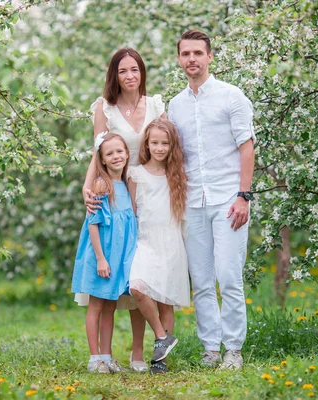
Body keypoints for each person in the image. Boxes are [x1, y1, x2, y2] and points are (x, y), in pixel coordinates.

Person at [168, 30, 255, 370]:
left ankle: (233, 349)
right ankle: (211, 350)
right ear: (179, 59)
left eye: (198, 53)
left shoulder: (232, 96)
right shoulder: (175, 105)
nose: (192, 59)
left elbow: (246, 147)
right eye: (185, 53)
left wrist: (243, 196)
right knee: (202, 281)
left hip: (228, 200)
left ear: (210, 57)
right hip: (192, 203)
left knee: (229, 276)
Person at [81, 48, 167, 372]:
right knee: (119, 274)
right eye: (122, 71)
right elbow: (97, 153)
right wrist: (86, 189)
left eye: (134, 69)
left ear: (142, 72)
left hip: (147, 192)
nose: (129, 76)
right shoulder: (105, 107)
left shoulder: (156, 105)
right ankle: (101, 355)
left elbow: (167, 146)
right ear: (114, 76)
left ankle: (139, 354)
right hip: (113, 191)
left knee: (139, 275)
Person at [127, 119, 190, 374]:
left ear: (172, 146)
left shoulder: (177, 175)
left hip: (172, 242)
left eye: (165, 143)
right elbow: (132, 212)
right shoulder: (136, 174)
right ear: (147, 144)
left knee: (165, 301)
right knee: (138, 287)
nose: (160, 148)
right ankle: (162, 335)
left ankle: (160, 361)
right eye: (155, 142)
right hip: (145, 241)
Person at [72, 133, 137, 373]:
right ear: (102, 159)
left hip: (117, 256)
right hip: (102, 255)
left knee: (110, 306)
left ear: (127, 153)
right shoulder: (102, 185)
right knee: (96, 306)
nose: (116, 156)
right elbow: (93, 223)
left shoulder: (126, 184)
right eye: (109, 153)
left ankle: (107, 357)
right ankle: (94, 358)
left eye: (119, 151)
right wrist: (100, 258)